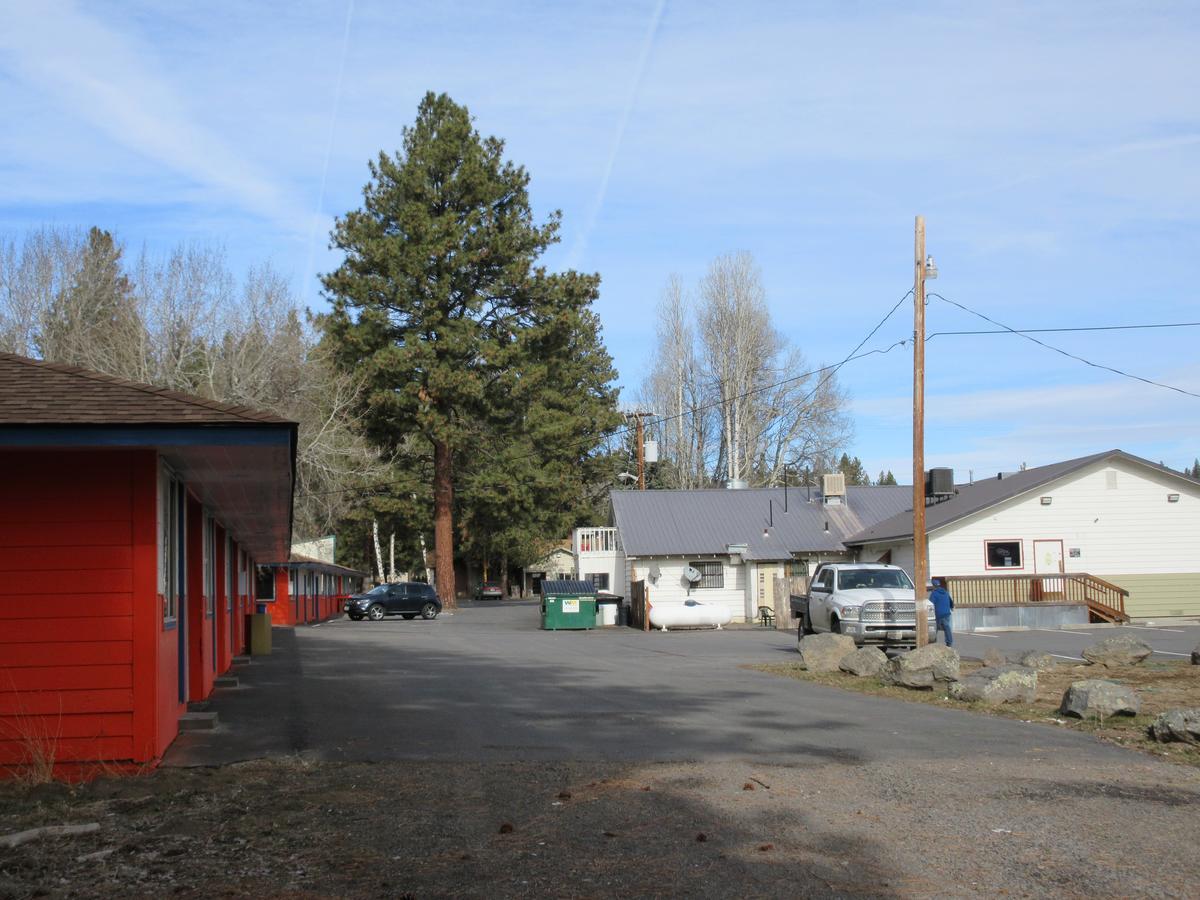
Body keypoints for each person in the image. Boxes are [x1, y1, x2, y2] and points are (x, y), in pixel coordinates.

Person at [929, 577, 954, 648]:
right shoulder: (946, 592)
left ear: (933, 586)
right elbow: (951, 601)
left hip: (938, 614)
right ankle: (949, 643)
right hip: (947, 613)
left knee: (935, 628)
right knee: (947, 628)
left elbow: (931, 604)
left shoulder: (934, 593)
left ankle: (933, 642)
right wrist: (951, 607)